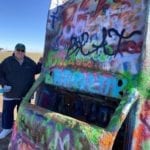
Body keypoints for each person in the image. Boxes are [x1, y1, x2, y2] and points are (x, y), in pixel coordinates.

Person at [0, 43, 42, 139]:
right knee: (7, 112)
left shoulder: (29, 62)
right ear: (14, 50)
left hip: (25, 94)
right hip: (10, 94)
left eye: (22, 50)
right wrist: (4, 83)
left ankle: (20, 129)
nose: (20, 52)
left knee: (23, 113)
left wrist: (39, 64)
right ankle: (7, 128)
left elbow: (36, 70)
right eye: (18, 50)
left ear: (24, 52)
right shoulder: (7, 61)